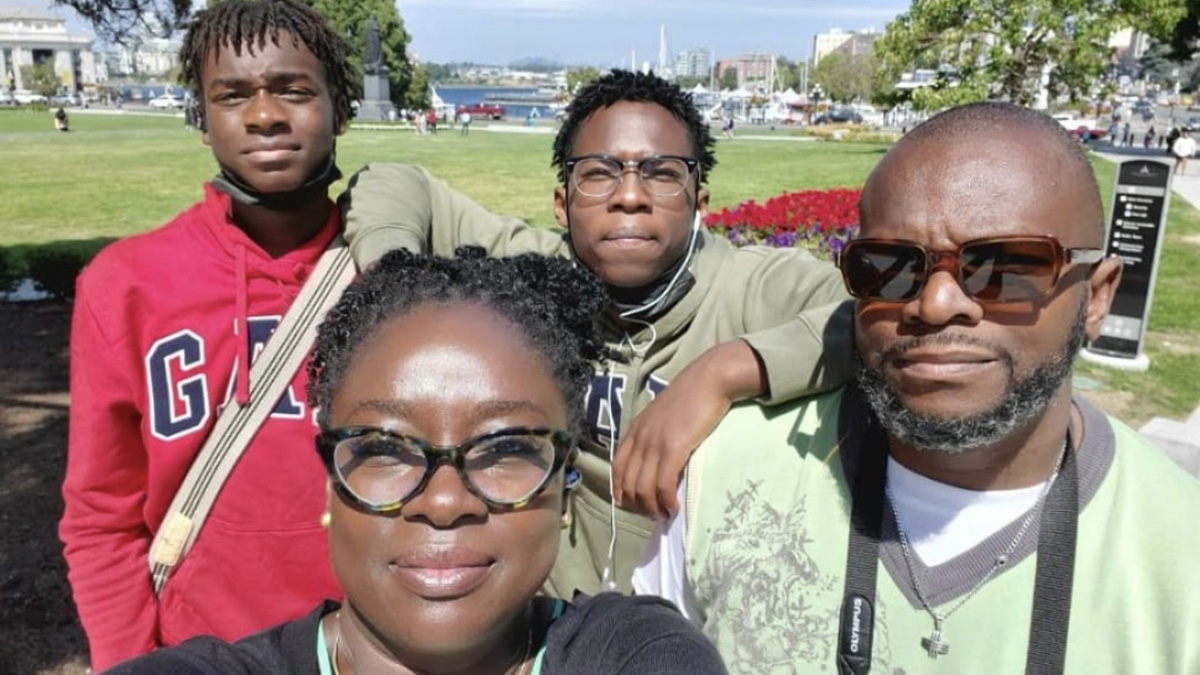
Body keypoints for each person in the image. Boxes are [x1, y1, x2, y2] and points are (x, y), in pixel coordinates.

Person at [635, 102, 1200, 673]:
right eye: (890, 267)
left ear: (1097, 297)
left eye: (1003, 266)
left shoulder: (1180, 557)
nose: (934, 304)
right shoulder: (721, 474)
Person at [338, 69, 851, 597]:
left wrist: (722, 373)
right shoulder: (540, 273)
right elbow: (390, 180)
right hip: (557, 614)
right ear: (563, 203)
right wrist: (394, 287)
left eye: (662, 173)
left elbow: (877, 321)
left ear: (700, 203)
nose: (630, 196)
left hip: (703, 613)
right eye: (600, 172)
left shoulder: (753, 287)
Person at [106, 248, 729, 675]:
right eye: (384, 448)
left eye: (507, 448)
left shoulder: (633, 653)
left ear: (567, 489)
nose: (443, 501)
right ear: (329, 483)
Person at [59, 0, 360, 669]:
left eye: (293, 90)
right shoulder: (126, 284)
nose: (264, 115)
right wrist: (130, 661)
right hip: (204, 650)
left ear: (340, 105)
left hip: (373, 649)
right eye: (233, 95)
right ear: (203, 118)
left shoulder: (393, 272)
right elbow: (100, 514)